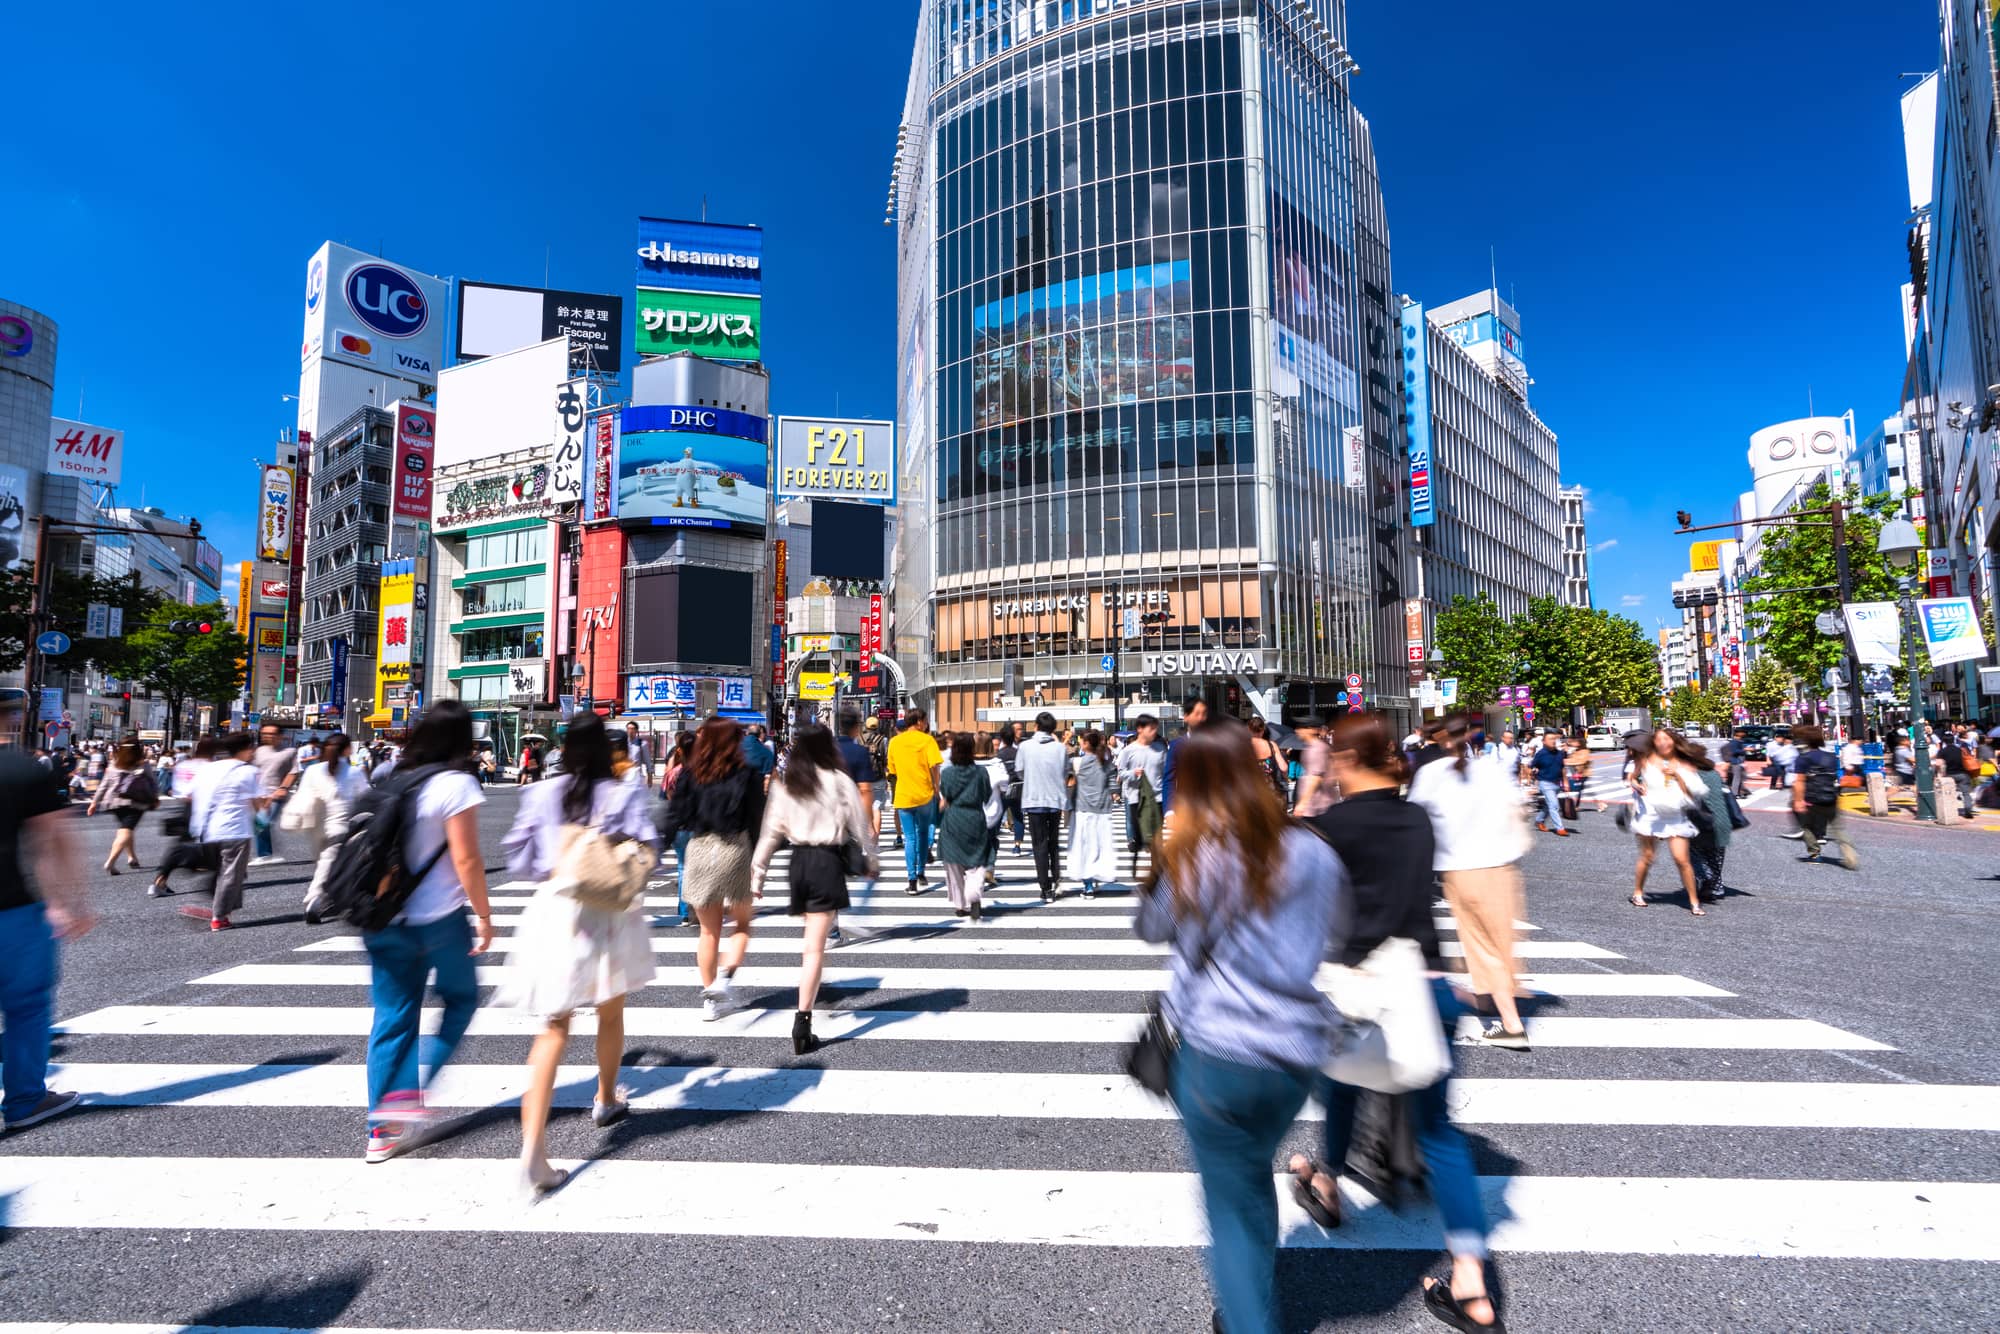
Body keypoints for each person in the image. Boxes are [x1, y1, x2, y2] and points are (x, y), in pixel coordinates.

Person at [1292, 711, 1501, 1332]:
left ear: (1346, 760)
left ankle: (1328, 1185)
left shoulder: (1329, 828)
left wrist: (1312, 794)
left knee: (1340, 1088)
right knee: (1439, 1132)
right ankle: (1471, 1283)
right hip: (1428, 986)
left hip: (1355, 988)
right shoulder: (1416, 818)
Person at [1134, 723, 1342, 1334]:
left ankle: (1251, 1316)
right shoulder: (1314, 850)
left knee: (1232, 1202)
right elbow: (1342, 926)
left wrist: (1164, 856)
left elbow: (1151, 926)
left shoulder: (1199, 853)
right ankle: (1247, 1301)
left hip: (1215, 1053)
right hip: (1294, 1053)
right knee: (1248, 1177)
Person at [501, 711, 659, 1192]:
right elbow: (650, 845)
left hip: (555, 908)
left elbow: (518, 856)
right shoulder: (621, 790)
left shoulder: (543, 792)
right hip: (607, 912)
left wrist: (556, 864)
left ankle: (533, 1149)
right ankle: (606, 1097)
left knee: (553, 1028)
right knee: (610, 1012)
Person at [360, 700, 494, 1164]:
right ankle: (408, 1096)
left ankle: (382, 1129)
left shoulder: (392, 775)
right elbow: (467, 859)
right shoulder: (456, 783)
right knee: (460, 1000)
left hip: (382, 916)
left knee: (392, 1017)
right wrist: (485, 915)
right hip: (438, 917)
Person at [750, 724, 875, 1053]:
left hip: (799, 864)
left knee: (811, 944)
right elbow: (860, 827)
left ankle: (809, 1004)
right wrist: (871, 860)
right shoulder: (838, 780)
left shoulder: (787, 783)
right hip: (825, 862)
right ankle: (802, 1021)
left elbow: (770, 832)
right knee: (814, 949)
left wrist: (757, 876)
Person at [1409, 716, 1532, 1048]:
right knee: (1501, 943)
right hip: (1503, 866)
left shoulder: (1432, 775)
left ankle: (1511, 1024)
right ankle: (1496, 1005)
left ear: (1441, 739)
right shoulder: (1490, 769)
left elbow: (1415, 818)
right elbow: (1518, 807)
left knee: (1482, 946)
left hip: (1461, 869)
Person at [1, 720, 93, 1133]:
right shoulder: (22, 769)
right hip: (13, 908)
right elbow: (55, 838)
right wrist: (69, 900)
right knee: (27, 1006)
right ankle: (24, 1100)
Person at [658, 717, 766, 1020]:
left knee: (708, 932)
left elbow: (675, 814)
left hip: (701, 849)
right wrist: (758, 861)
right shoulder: (748, 774)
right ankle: (724, 979)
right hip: (735, 848)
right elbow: (757, 821)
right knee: (742, 925)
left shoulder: (692, 774)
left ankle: (710, 999)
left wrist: (657, 847)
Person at [183, 732, 267, 931]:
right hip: (234, 829)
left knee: (229, 872)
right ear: (246, 749)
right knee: (231, 873)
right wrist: (263, 819)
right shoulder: (248, 772)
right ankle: (218, 916)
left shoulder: (208, 768)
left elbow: (188, 794)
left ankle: (224, 910)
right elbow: (258, 802)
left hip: (206, 829)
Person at [286, 733, 371, 924]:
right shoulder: (353, 772)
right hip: (340, 827)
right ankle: (314, 900)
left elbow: (302, 794)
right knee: (335, 865)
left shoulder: (313, 770)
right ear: (347, 750)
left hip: (315, 826)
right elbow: (367, 797)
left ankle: (331, 898)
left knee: (325, 863)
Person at [1628, 726, 1707, 914]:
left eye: (1667, 739)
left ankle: (1694, 902)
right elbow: (1632, 778)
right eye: (1659, 739)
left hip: (1674, 815)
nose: (1663, 742)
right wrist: (1637, 785)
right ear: (1654, 743)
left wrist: (1677, 774)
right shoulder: (1645, 759)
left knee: (1682, 860)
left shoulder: (1683, 763)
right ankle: (1637, 893)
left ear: (1674, 741)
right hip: (1650, 813)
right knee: (1648, 857)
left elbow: (1693, 792)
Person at [932, 733, 993, 920]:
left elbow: (946, 794)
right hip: (975, 816)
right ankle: (974, 892)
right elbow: (986, 795)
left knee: (953, 863)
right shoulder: (981, 772)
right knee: (977, 859)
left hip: (954, 817)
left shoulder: (948, 773)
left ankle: (960, 905)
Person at [885, 710, 944, 894]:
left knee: (909, 838)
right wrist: (936, 787)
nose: (926, 724)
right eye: (925, 721)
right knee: (923, 833)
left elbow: (892, 769)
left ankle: (911, 880)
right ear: (919, 722)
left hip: (904, 795)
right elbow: (935, 765)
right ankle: (921, 873)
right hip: (924, 794)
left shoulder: (895, 742)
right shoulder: (927, 740)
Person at [1017, 710, 1071, 902]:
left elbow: (1019, 771)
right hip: (1055, 800)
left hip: (1034, 800)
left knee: (1039, 844)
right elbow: (1066, 771)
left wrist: (1032, 778)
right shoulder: (1060, 748)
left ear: (1036, 726)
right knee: (1053, 842)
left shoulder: (1025, 746)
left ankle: (1045, 887)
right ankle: (1056, 877)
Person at [1791, 723, 1857, 870]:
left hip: (1811, 798)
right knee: (1837, 828)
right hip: (1830, 797)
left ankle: (1815, 854)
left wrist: (1798, 800)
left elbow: (1799, 782)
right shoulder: (1831, 757)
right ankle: (1848, 851)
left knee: (1807, 826)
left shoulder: (1804, 758)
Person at [87, 736, 156, 875]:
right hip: (135, 801)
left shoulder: (114, 764)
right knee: (125, 831)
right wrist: (155, 798)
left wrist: (94, 802)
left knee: (126, 829)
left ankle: (132, 857)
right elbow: (153, 783)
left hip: (114, 802)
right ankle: (111, 862)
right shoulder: (143, 764)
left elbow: (104, 784)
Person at [1069, 729, 1121, 897]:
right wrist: (1115, 793)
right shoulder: (1106, 763)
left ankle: (1088, 884)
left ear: (1085, 744)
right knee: (1098, 846)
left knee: (1084, 847)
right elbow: (1113, 782)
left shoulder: (1078, 763)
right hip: (1103, 809)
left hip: (1083, 809)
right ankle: (1096, 875)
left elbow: (1063, 768)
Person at [1116, 714, 1166, 876]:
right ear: (1140, 729)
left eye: (1155, 729)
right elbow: (1121, 773)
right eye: (1151, 728)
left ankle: (1157, 870)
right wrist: (1133, 773)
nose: (1154, 732)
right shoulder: (1128, 751)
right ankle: (1136, 859)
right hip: (1135, 798)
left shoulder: (1160, 749)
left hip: (1157, 798)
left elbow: (1166, 773)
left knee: (1157, 838)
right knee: (1139, 835)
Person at [1687, 738, 1734, 904]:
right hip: (1723, 821)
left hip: (1701, 821)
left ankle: (1703, 876)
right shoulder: (1713, 773)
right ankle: (1716, 887)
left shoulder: (1690, 775)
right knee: (1716, 857)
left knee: (1693, 852)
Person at [251, 723, 299, 865]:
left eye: (271, 734)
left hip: (276, 793)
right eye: (265, 733)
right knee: (261, 823)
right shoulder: (258, 751)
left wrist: (283, 788)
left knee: (262, 823)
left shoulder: (289, 752)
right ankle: (267, 854)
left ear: (280, 736)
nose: (267, 736)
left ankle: (265, 855)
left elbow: (294, 772)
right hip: (259, 793)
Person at [1158, 692, 1209, 811]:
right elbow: (1169, 780)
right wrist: (1169, 811)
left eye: (1204, 714)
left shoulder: (1217, 744)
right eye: (1197, 714)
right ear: (1186, 716)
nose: (1201, 718)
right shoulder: (1177, 746)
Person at [1527, 729, 1571, 836]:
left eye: (1554, 739)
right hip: (1545, 783)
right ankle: (1559, 828)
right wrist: (1532, 775)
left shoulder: (1560, 754)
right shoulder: (1540, 754)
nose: (1553, 741)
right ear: (1544, 742)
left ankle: (1539, 820)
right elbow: (1531, 766)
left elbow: (1563, 768)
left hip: (1557, 783)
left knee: (1549, 805)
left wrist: (1566, 782)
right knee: (1554, 805)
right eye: (1550, 739)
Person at [1290, 718, 1333, 818]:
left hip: (1316, 806)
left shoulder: (1317, 749)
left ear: (1312, 730)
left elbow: (1316, 777)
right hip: (1313, 805)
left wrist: (1302, 804)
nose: (1297, 731)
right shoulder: (1311, 747)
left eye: (1301, 728)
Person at [994, 723, 1025, 854]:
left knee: (997, 816)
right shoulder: (1018, 753)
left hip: (1003, 790)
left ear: (1002, 738)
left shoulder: (999, 755)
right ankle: (1017, 845)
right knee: (1018, 816)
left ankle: (993, 840)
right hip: (1017, 788)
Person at [1246, 714, 1289, 802]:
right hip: (1269, 788)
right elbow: (1283, 768)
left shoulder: (1243, 745)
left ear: (1248, 729)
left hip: (1249, 788)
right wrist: (1286, 778)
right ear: (1263, 730)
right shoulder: (1271, 745)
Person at [1561, 733, 1593, 820]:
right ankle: (1574, 805)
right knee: (1580, 789)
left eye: (1576, 742)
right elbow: (1569, 755)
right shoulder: (1575, 750)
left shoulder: (1585, 751)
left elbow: (1580, 761)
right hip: (1576, 773)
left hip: (1583, 773)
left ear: (1580, 743)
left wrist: (1565, 761)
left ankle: (1574, 806)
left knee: (1578, 789)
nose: (1574, 743)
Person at [1722, 727, 1749, 798]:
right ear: (1739, 733)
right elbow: (1734, 751)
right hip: (1735, 762)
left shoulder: (1738, 741)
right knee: (1737, 778)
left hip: (1735, 762)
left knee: (1736, 778)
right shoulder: (1735, 742)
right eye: (1743, 732)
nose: (1744, 734)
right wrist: (1744, 750)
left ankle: (1738, 792)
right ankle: (1735, 793)